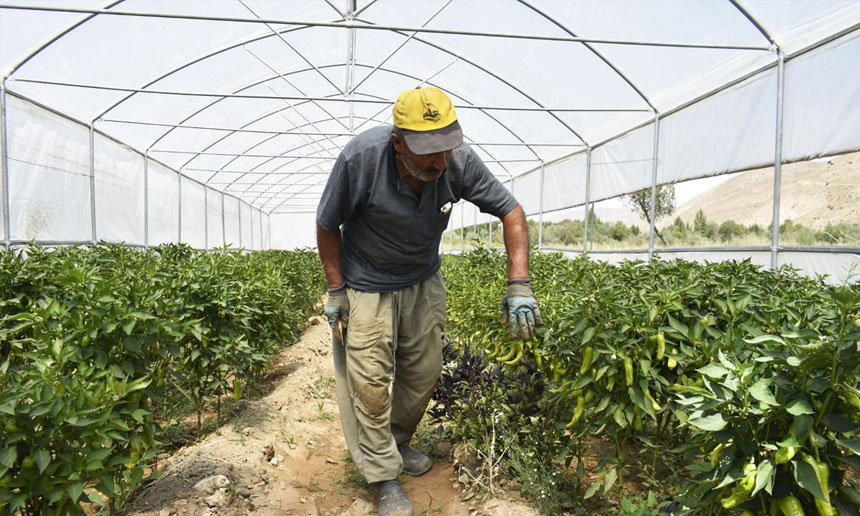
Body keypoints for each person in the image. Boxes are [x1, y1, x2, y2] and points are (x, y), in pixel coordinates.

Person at [316, 87, 541, 516]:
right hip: (366, 283)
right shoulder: (360, 159)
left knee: (424, 373)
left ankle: (397, 441)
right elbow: (327, 225)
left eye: (445, 149)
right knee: (370, 384)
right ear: (398, 141)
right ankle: (384, 477)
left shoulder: (456, 162)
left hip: (422, 280)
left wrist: (519, 284)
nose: (439, 163)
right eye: (426, 154)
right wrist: (336, 289)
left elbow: (511, 211)